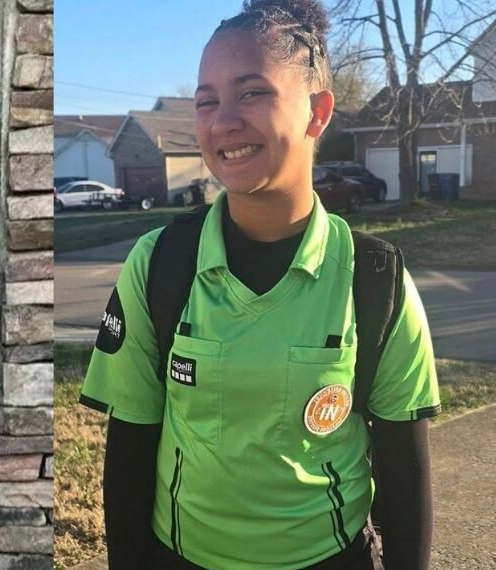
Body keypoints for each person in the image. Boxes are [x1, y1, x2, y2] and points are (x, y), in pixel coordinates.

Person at [79, 1, 440, 568]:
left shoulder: (374, 279)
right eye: (206, 101)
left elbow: (404, 473)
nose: (223, 120)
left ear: (317, 113)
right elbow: (128, 454)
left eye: (252, 93)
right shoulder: (159, 265)